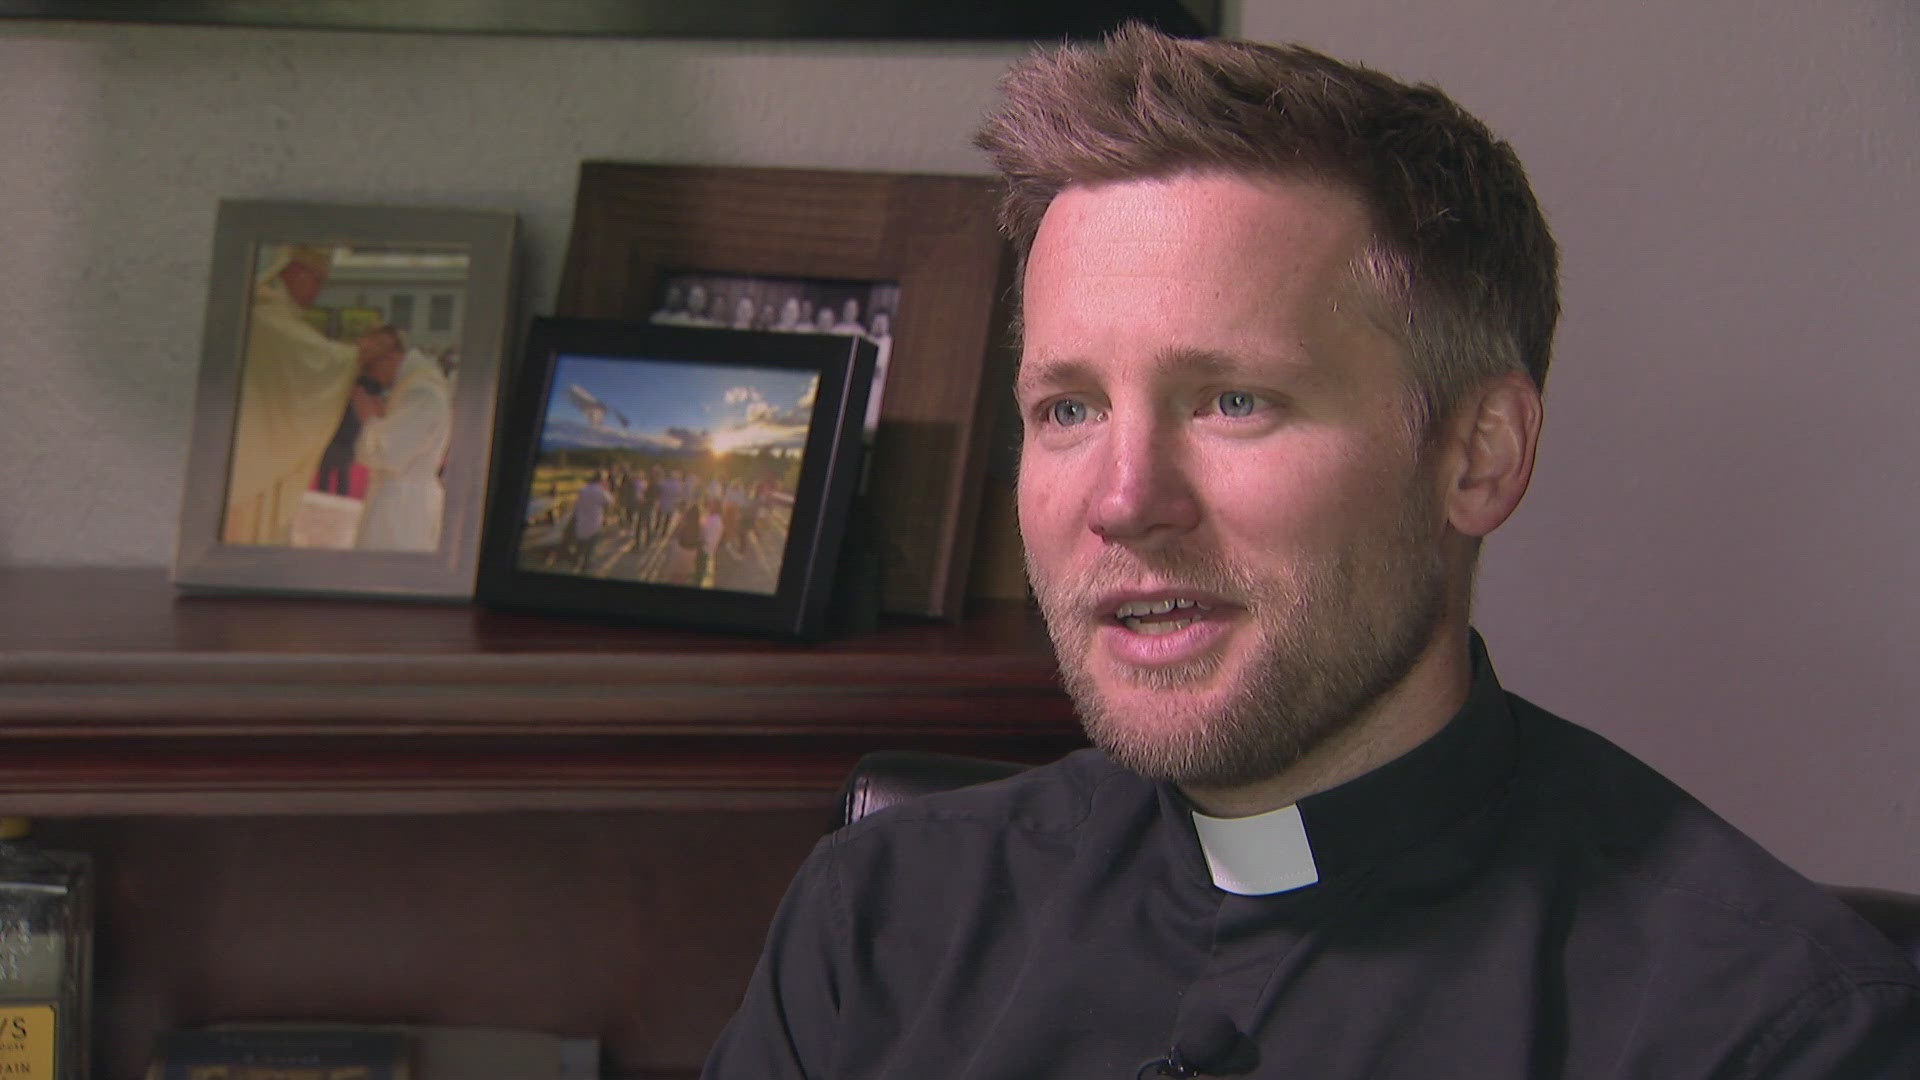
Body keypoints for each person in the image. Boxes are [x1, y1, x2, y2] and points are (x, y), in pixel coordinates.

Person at [702, 25, 1920, 1080]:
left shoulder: (1770, 1032)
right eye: (1068, 408)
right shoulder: (873, 924)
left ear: (1478, 455)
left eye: (1233, 400)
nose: (1125, 502)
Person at [221, 244, 366, 545]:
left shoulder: (277, 314)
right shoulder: (265, 314)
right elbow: (312, 359)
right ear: (294, 271)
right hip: (253, 440)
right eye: (316, 281)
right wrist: (356, 355)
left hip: (263, 432)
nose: (318, 291)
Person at [351, 327, 452, 552]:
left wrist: (368, 418)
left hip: (402, 510)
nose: (372, 376)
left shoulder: (422, 392)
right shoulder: (416, 384)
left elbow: (389, 455)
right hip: (401, 503)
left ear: (389, 357)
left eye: (370, 367)